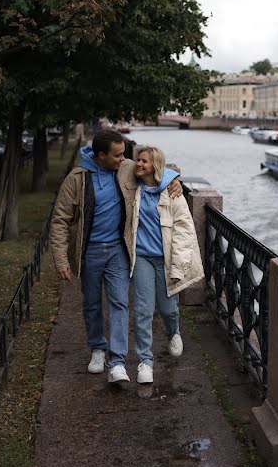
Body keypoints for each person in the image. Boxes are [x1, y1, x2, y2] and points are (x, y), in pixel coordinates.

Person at [50, 130, 182, 384]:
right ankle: (98, 348)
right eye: (118, 154)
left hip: (118, 251)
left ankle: (118, 361)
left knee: (120, 303)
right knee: (91, 304)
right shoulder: (77, 178)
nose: (124, 159)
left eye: (124, 154)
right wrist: (61, 259)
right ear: (101, 155)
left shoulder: (126, 168)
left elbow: (157, 169)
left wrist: (175, 178)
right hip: (89, 252)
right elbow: (60, 221)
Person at [130, 145, 203, 384]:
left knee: (168, 309)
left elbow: (184, 231)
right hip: (141, 258)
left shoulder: (173, 193)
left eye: (144, 162)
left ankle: (173, 332)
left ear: (156, 167)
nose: (138, 164)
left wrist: (179, 267)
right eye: (137, 160)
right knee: (143, 310)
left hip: (166, 259)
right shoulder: (132, 188)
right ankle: (145, 362)